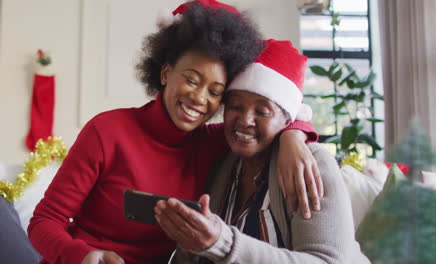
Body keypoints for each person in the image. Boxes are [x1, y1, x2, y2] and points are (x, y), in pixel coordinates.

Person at [28, 2, 320, 264]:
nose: (199, 98)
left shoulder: (213, 143)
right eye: (192, 80)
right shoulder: (107, 130)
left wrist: (294, 135)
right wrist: (81, 256)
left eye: (215, 92)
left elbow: (264, 123)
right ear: (166, 73)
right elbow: (43, 221)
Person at [155, 39, 370, 263]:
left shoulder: (312, 162)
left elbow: (327, 261)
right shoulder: (222, 161)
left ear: (287, 118)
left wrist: (222, 243)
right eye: (236, 106)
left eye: (262, 111)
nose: (245, 121)